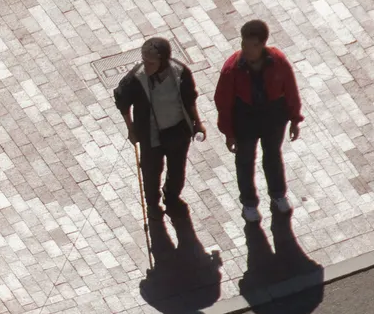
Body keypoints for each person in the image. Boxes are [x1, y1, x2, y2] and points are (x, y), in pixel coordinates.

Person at [213, 19, 304, 223]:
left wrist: (295, 119)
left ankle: (278, 194)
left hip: (272, 116)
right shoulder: (232, 68)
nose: (245, 49)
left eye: (250, 45)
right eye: (243, 43)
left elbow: (290, 89)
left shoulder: (278, 60)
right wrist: (228, 132)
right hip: (245, 118)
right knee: (245, 161)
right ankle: (249, 203)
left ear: (262, 44)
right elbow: (223, 102)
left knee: (272, 156)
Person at [115, 36, 206, 213]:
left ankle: (171, 197)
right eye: (144, 60)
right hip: (151, 135)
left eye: (151, 62)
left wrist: (198, 123)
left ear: (163, 61)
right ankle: (152, 204)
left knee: (177, 170)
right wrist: (131, 128)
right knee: (151, 172)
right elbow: (122, 100)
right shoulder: (137, 77)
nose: (146, 65)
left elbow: (190, 100)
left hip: (178, 131)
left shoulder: (180, 72)